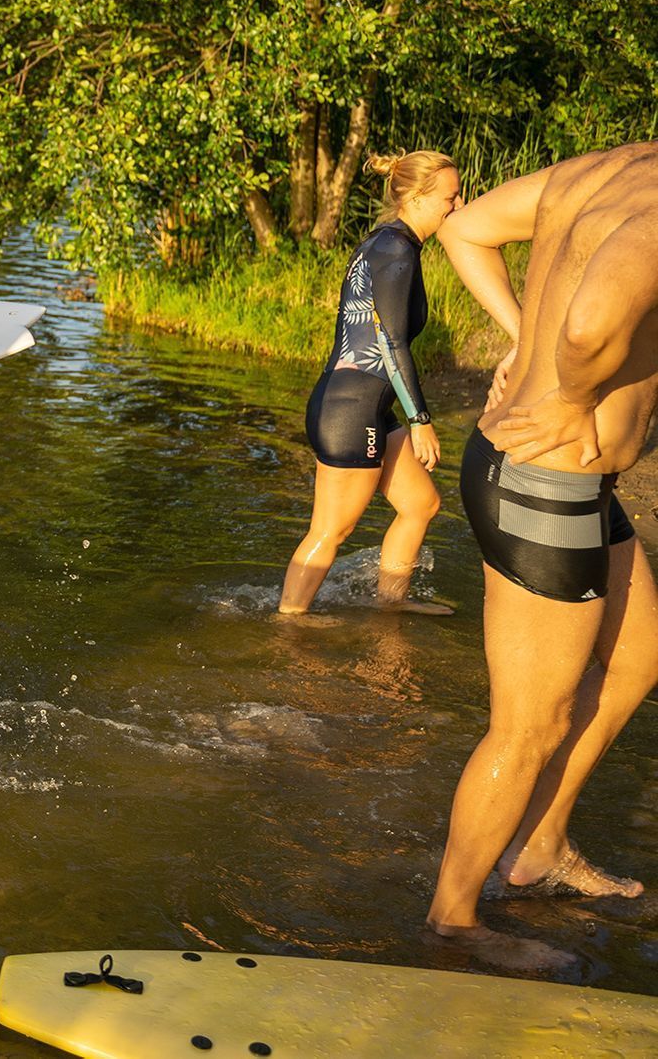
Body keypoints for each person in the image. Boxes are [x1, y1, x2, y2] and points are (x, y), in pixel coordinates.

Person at [424, 142, 658, 970]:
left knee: (635, 663)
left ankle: (542, 846)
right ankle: (453, 920)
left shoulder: (615, 167)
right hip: (543, 484)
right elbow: (592, 325)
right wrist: (573, 392)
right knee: (529, 725)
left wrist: (524, 341)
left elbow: (468, 228)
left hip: (563, 480)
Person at [278, 151, 462, 614]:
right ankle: (288, 622)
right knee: (330, 531)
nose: (458, 206)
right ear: (417, 198)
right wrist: (420, 420)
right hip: (350, 409)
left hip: (367, 406)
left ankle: (390, 606)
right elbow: (393, 342)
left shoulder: (388, 244)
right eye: (450, 197)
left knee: (421, 504)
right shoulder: (395, 250)